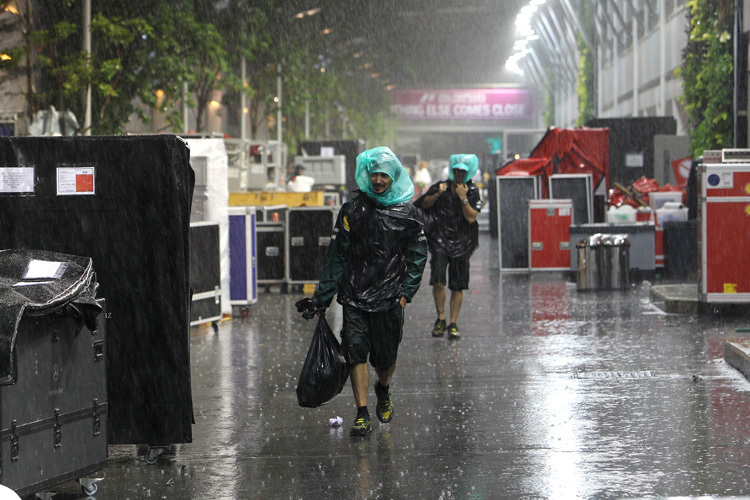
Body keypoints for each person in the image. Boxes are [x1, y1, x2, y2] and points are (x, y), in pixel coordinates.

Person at [295, 147, 427, 436]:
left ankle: (384, 387)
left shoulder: (407, 213)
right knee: (356, 353)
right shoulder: (352, 210)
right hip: (354, 297)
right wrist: (321, 299)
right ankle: (362, 413)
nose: (378, 180)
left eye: (384, 175)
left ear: (394, 177)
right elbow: (336, 257)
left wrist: (406, 293)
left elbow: (418, 256)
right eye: (374, 174)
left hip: (391, 299)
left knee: (386, 358)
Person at [415, 154, 481, 340]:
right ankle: (441, 318)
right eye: (457, 170)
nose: (459, 174)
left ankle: (453, 322)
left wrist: (463, 198)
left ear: (467, 173)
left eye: (463, 171)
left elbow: (471, 217)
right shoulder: (440, 187)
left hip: (462, 244)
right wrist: (437, 194)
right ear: (453, 171)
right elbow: (422, 204)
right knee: (438, 282)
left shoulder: (472, 190)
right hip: (439, 241)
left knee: (457, 286)